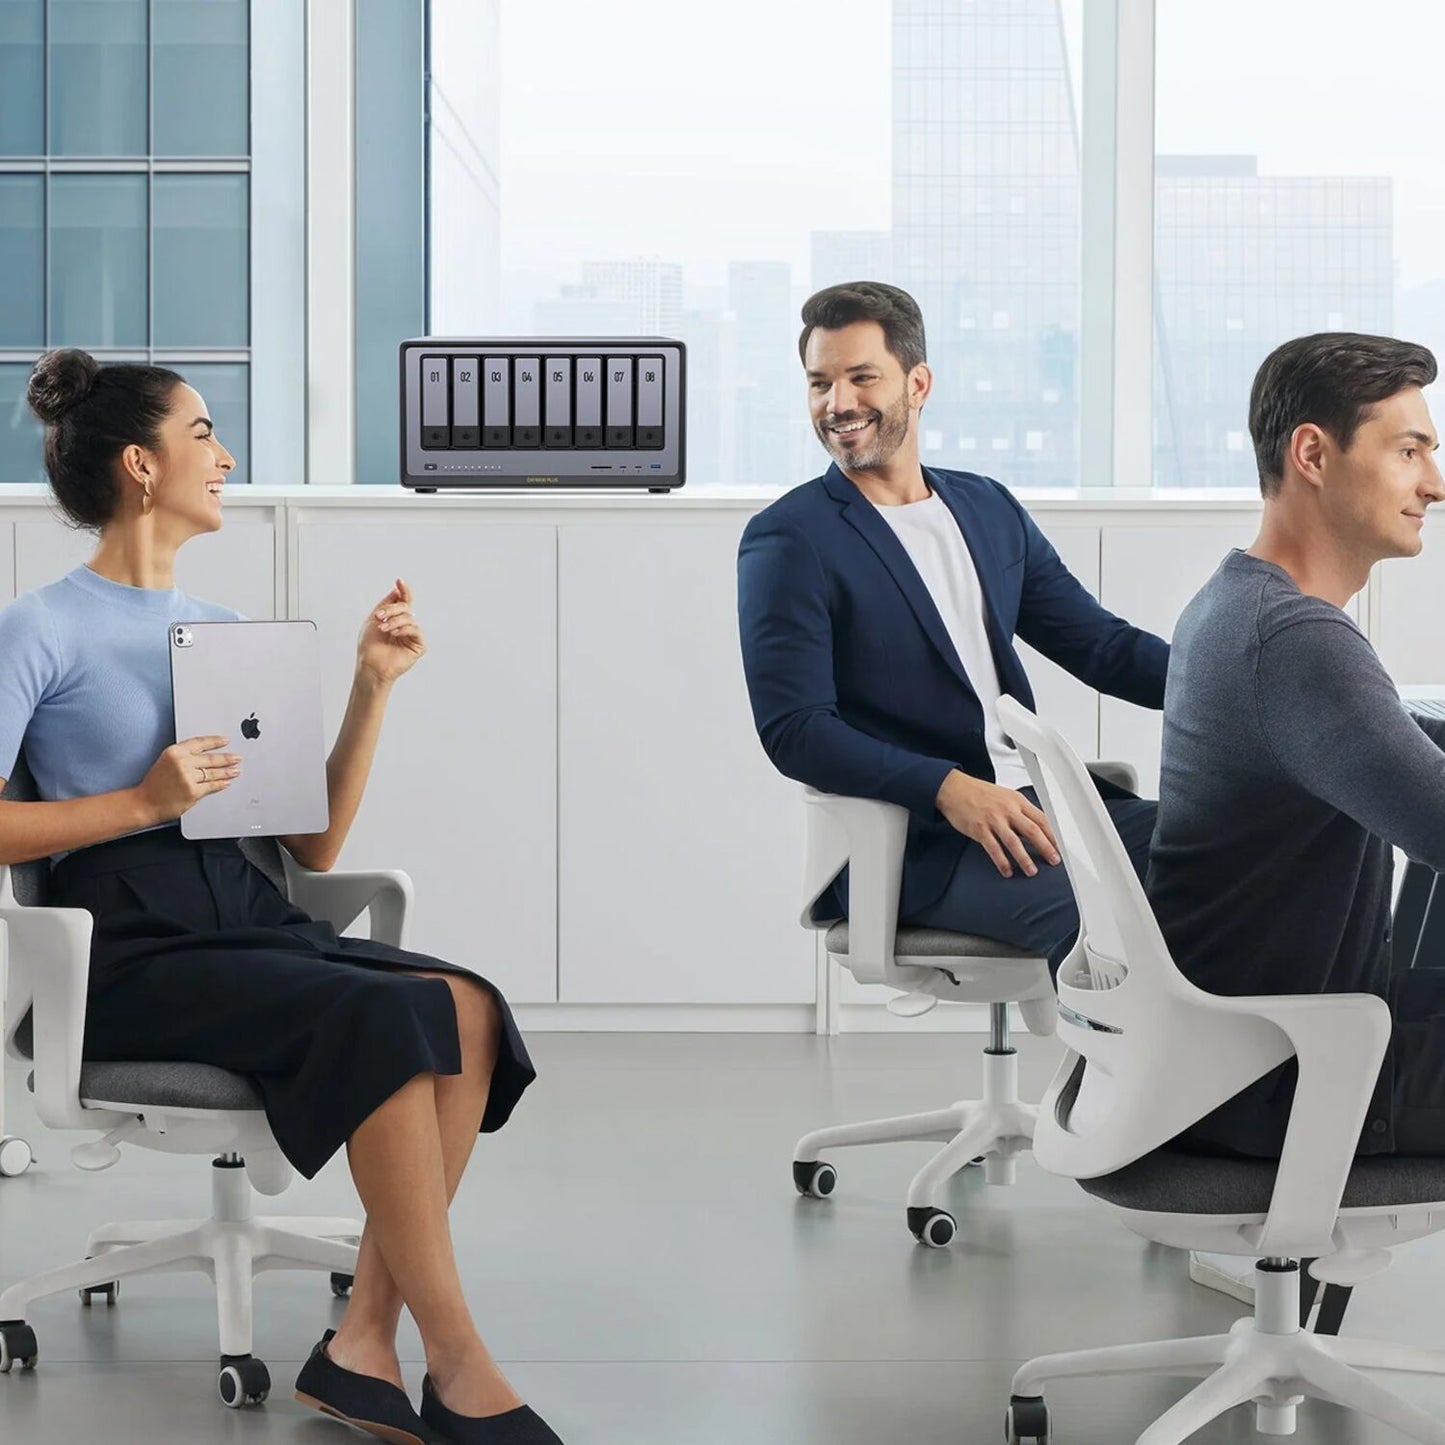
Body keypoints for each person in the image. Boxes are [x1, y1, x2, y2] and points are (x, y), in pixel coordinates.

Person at [0, 349, 562, 1445]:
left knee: (469, 1006)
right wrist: (137, 799)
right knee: (383, 1013)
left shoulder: (226, 626)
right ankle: (454, 1361)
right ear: (139, 464)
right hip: (126, 941)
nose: (226, 455)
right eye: (203, 432)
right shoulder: (40, 627)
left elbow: (310, 835)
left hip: (241, 910)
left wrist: (369, 684)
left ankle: (360, 1346)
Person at [737, 281, 1168, 971]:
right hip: (926, 843)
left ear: (917, 383)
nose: (837, 403)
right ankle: (1115, 1081)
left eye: (860, 377)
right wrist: (946, 785)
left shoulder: (985, 506)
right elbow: (795, 729)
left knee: (1231, 858)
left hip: (1042, 805)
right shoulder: (791, 539)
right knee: (1117, 929)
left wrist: (1231, 686)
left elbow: (1101, 646)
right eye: (819, 383)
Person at [1148, 332, 1445, 1165]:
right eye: (1408, 450)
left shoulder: (1232, 603)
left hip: (1250, 1049)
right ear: (1312, 453)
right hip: (1299, 1073)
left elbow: (1389, 747)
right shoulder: (1295, 639)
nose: (1435, 482)